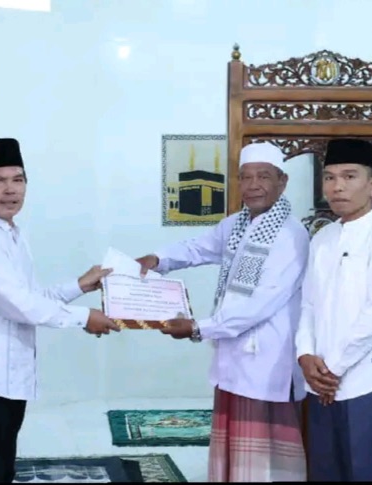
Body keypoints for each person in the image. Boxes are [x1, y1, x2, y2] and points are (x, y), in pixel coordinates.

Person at [0, 137, 120, 483]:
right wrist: (85, 318)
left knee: (1, 469)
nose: (10, 190)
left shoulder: (10, 232)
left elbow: (31, 296)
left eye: (18, 180)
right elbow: (18, 304)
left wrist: (79, 286)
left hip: (9, 376)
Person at [138, 142, 309, 482]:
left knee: (264, 461)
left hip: (267, 359)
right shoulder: (237, 224)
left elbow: (259, 304)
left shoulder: (291, 236)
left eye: (263, 176)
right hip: (233, 353)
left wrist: (198, 328)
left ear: (282, 181)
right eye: (245, 177)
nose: (253, 185)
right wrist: (157, 259)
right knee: (232, 448)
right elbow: (197, 248)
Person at [295, 138, 372, 481]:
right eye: (330, 177)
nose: (337, 186)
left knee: (367, 472)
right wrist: (305, 355)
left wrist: (334, 369)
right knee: (325, 471)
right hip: (321, 382)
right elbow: (308, 304)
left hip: (368, 382)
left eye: (349, 176)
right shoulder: (322, 239)